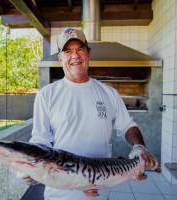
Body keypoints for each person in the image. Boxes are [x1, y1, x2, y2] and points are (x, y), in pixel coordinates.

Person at [26, 27, 159, 200]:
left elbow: (128, 126)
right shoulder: (47, 94)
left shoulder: (108, 93)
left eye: (80, 49)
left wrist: (139, 146)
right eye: (68, 51)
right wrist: (31, 166)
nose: (75, 56)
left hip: (100, 192)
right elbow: (40, 141)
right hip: (60, 194)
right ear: (60, 58)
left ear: (88, 54)